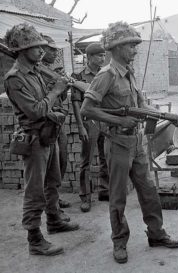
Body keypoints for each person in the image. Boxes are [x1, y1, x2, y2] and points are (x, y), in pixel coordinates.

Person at [80, 21, 178, 264]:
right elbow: (87, 109)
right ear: (117, 48)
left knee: (149, 191)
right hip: (117, 142)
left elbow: (141, 107)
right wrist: (120, 120)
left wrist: (169, 117)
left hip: (136, 143)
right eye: (131, 46)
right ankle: (119, 241)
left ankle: (156, 234)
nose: (135, 50)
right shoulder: (106, 75)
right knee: (117, 197)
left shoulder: (129, 73)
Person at [4, 23, 79, 256]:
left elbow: (47, 103)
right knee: (34, 190)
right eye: (36, 47)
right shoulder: (14, 78)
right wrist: (56, 90)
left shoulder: (37, 71)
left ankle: (54, 220)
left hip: (48, 134)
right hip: (34, 140)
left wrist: (59, 92)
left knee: (53, 182)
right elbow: (35, 111)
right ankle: (34, 239)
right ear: (23, 49)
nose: (41, 51)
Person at [71, 42, 108, 212]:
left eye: (103, 55)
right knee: (86, 160)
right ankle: (85, 197)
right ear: (90, 57)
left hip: (105, 120)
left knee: (105, 156)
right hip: (89, 122)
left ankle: (105, 190)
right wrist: (80, 126)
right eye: (99, 55)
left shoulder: (105, 74)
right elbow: (76, 104)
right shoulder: (78, 76)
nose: (103, 58)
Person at [40, 34, 71, 221]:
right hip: (46, 124)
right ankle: (51, 206)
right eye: (50, 49)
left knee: (62, 160)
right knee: (50, 167)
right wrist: (54, 86)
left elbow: (62, 98)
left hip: (58, 122)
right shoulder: (38, 73)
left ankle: (55, 198)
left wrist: (63, 87)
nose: (54, 52)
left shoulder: (52, 71)